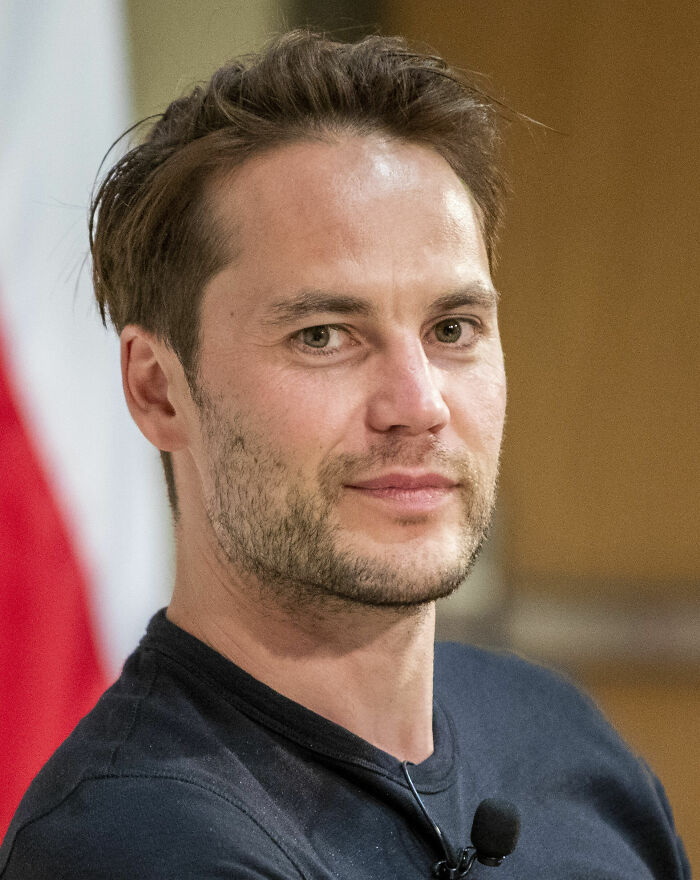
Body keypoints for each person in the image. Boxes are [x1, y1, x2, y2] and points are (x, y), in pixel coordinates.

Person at [0, 30, 690, 880]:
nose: (420, 405)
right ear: (157, 389)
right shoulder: (127, 843)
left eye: (453, 329)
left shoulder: (560, 736)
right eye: (324, 335)